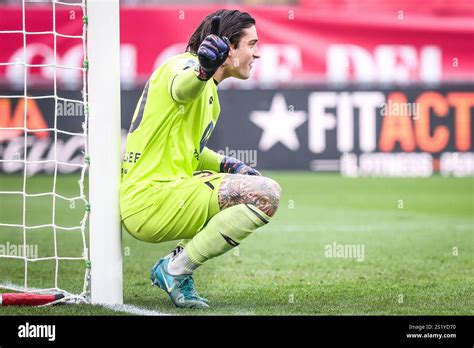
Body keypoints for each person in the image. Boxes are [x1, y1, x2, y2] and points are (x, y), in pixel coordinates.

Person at [120, 9, 281, 309]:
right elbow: (182, 89)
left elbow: (190, 152)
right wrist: (202, 71)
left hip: (164, 197)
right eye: (252, 44)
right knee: (267, 194)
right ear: (229, 47)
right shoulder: (184, 66)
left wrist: (230, 165)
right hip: (151, 199)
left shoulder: (212, 96)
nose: (257, 54)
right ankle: (176, 269)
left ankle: (177, 267)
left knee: (255, 190)